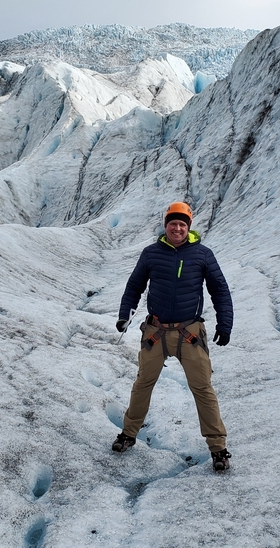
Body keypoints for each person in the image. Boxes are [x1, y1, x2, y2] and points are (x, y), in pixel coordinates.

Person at [113, 201, 234, 471]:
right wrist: (124, 315)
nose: (177, 228)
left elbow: (220, 290)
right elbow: (134, 286)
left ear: (188, 227)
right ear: (165, 225)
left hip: (189, 331)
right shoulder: (151, 253)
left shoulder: (203, 254)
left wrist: (225, 324)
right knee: (143, 383)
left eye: (182, 224)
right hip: (155, 331)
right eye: (172, 223)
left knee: (203, 388)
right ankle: (128, 434)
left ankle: (218, 448)